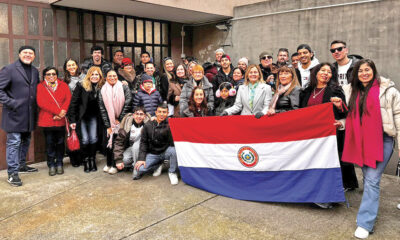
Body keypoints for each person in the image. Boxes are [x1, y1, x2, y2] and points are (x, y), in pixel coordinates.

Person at [332, 59, 400, 239]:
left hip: (382, 139)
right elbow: (352, 117)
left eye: (367, 70)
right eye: (360, 71)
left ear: (373, 71)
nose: (364, 73)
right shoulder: (350, 91)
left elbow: (398, 117)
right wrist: (341, 118)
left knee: (371, 179)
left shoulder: (389, 91)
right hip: (359, 140)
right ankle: (367, 215)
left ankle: (365, 222)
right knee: (367, 177)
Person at [300, 63, 356, 208]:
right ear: (316, 73)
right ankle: (311, 192)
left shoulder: (336, 89)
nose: (325, 73)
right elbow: (300, 112)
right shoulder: (306, 90)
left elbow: (345, 112)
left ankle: (328, 197)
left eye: (329, 72)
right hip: (310, 135)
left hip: (329, 135)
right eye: (322, 70)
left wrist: (339, 105)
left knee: (327, 164)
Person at [0, 46, 39, 186]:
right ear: (19, 54)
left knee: (26, 140)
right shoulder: (9, 69)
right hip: (14, 114)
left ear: (34, 56)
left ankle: (22, 165)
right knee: (14, 142)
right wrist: (12, 103)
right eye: (25, 53)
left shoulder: (35, 71)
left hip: (29, 115)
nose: (28, 55)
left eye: (31, 53)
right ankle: (12, 173)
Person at [67, 66, 105, 173]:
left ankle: (92, 159)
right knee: (85, 139)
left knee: (93, 138)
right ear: (89, 75)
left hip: (94, 117)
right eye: (92, 74)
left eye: (96, 74)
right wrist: (72, 120)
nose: (94, 76)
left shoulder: (102, 86)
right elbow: (73, 103)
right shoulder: (81, 86)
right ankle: (86, 160)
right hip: (82, 117)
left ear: (100, 76)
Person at [36, 67, 71, 176]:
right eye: (48, 74)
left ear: (57, 75)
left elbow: (68, 98)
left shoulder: (63, 85)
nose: (51, 76)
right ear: (44, 76)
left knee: (60, 142)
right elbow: (41, 102)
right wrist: (58, 112)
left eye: (53, 74)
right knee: (50, 142)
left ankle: (59, 163)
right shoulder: (40, 86)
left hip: (60, 120)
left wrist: (63, 112)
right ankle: (51, 164)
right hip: (48, 120)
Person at [133, 102, 179, 185]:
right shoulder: (148, 125)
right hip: (153, 153)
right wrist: (141, 159)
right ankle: (158, 165)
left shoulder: (170, 124)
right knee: (140, 169)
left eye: (164, 112)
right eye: (160, 112)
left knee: (173, 151)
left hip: (165, 152)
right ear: (156, 112)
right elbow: (143, 143)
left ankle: (172, 172)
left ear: (168, 113)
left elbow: (173, 142)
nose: (162, 114)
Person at [99, 69, 132, 174]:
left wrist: (120, 118)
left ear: (117, 77)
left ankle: (114, 164)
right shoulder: (102, 89)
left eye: (114, 76)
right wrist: (108, 125)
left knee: (117, 141)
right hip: (109, 120)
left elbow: (128, 102)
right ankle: (108, 163)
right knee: (108, 141)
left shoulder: (124, 87)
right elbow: (102, 108)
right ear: (106, 78)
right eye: (110, 76)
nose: (112, 78)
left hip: (122, 120)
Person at [114, 107, 148, 178]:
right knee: (124, 160)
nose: (139, 116)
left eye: (141, 114)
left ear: (144, 116)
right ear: (133, 115)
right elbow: (118, 142)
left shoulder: (148, 124)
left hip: (145, 149)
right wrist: (118, 160)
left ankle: (137, 169)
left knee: (136, 146)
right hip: (131, 147)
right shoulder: (127, 125)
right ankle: (133, 164)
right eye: (137, 114)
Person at [63, 58, 85, 167]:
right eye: (69, 65)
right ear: (66, 68)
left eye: (73, 65)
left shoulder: (84, 77)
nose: (71, 67)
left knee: (82, 134)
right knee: (72, 134)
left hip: (84, 109)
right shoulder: (65, 81)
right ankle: (74, 158)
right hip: (72, 110)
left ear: (77, 65)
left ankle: (83, 157)